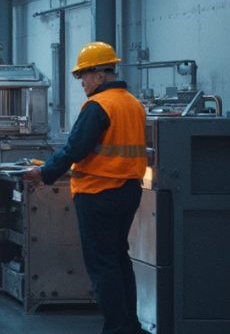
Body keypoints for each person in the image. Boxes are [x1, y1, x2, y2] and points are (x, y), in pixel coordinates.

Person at [22, 41, 146, 334]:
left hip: (98, 193)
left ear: (101, 74)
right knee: (118, 258)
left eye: (84, 76)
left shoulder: (98, 106)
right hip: (129, 191)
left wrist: (43, 171)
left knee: (102, 265)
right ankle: (131, 325)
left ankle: (117, 329)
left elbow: (76, 148)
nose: (82, 83)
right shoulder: (133, 103)